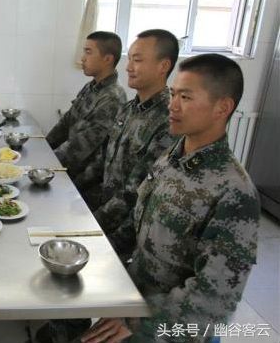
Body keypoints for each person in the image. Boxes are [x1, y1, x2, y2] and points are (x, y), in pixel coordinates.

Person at [82, 54, 260, 343]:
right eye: (174, 94)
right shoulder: (173, 157)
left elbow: (213, 301)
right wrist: (92, 251)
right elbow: (138, 223)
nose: (172, 105)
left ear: (222, 107)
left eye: (186, 97)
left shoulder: (233, 191)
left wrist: (138, 321)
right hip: (135, 301)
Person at [75, 29, 178, 237]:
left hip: (125, 230)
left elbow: (135, 193)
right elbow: (102, 159)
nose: (129, 67)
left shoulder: (168, 121)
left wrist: (92, 226)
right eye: (129, 59)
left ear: (163, 66)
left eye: (137, 60)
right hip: (104, 208)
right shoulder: (129, 108)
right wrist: (71, 190)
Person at [46, 31, 127, 181]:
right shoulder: (91, 87)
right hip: (68, 168)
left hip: (84, 181)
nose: (82, 58)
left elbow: (82, 145)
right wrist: (44, 147)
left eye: (88, 52)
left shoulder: (112, 98)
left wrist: (46, 163)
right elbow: (66, 122)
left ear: (107, 59)